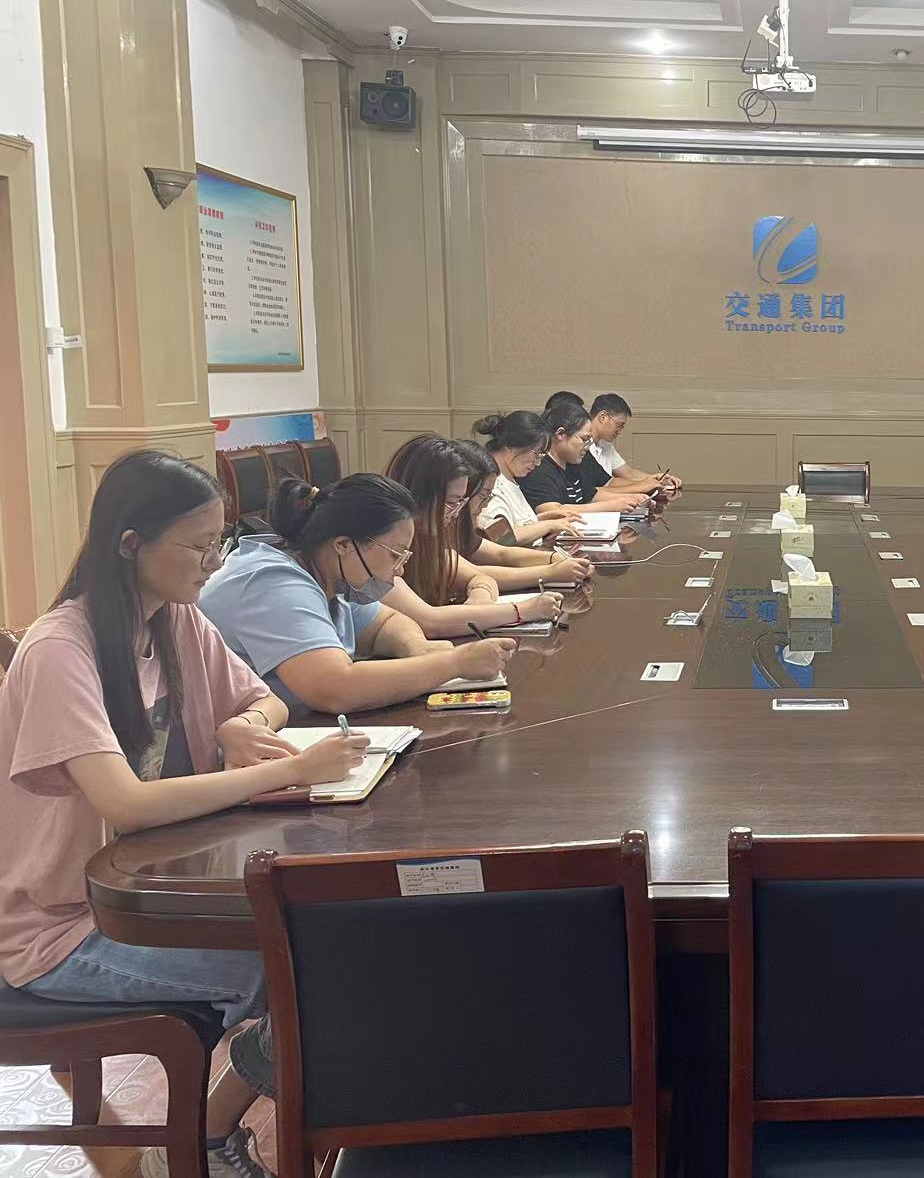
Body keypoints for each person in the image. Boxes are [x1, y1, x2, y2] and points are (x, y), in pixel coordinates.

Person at [0, 450, 368, 1178]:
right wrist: (291, 769)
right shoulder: (60, 649)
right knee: (316, 976)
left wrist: (239, 725)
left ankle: (207, 1132)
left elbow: (264, 700)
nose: (214, 562)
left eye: (219, 541)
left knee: (337, 950)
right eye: (198, 547)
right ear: (130, 543)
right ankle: (206, 1139)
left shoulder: (177, 621)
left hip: (155, 892)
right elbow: (125, 803)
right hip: (66, 926)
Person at [200, 473, 515, 716]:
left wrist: (416, 648)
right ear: (343, 545)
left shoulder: (329, 572)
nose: (399, 571)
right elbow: (334, 688)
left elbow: (386, 624)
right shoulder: (274, 583)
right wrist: (454, 663)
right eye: (395, 555)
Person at [381, 435, 587, 637]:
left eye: (460, 503)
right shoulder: (383, 548)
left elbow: (479, 576)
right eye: (451, 503)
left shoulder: (429, 537)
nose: (456, 514)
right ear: (418, 495)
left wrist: (480, 595)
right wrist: (522, 609)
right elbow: (431, 623)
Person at [471, 411, 585, 547]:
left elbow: (512, 524)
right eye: (536, 454)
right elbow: (501, 537)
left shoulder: (509, 479)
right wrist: (547, 525)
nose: (537, 463)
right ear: (511, 446)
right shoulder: (491, 483)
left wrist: (539, 520)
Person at [518, 400, 649, 517]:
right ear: (560, 434)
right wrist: (611, 505)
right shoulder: (538, 467)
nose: (587, 446)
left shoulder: (572, 462)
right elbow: (552, 511)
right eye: (584, 439)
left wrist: (631, 498)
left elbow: (592, 495)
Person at [585, 392, 681, 495]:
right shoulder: (581, 448)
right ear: (602, 417)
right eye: (619, 425)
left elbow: (626, 474)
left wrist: (656, 480)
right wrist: (642, 486)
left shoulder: (605, 445)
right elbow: (592, 491)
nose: (620, 431)